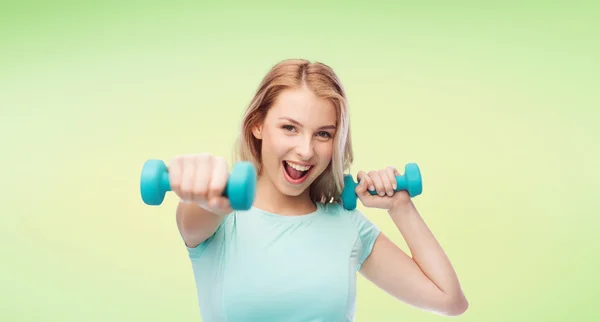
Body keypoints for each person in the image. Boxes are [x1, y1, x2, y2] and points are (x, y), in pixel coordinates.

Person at [167, 59, 469, 321]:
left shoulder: (347, 225)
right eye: (290, 128)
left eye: (323, 134)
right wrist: (205, 188)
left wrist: (400, 207)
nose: (306, 150)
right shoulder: (220, 216)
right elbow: (200, 212)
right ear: (257, 125)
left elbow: (449, 300)